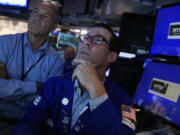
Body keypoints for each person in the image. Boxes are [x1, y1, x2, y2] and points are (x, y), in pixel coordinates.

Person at [13, 24, 136, 135]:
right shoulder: (54, 85)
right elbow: (27, 124)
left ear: (112, 56)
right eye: (85, 37)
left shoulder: (124, 100)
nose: (87, 42)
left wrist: (96, 89)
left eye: (98, 40)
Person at [0, 0, 64, 134]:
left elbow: (47, 103)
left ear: (53, 27)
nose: (37, 17)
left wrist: (9, 85)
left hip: (29, 128)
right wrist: (36, 87)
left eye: (46, 16)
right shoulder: (4, 43)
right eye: (35, 12)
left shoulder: (56, 61)